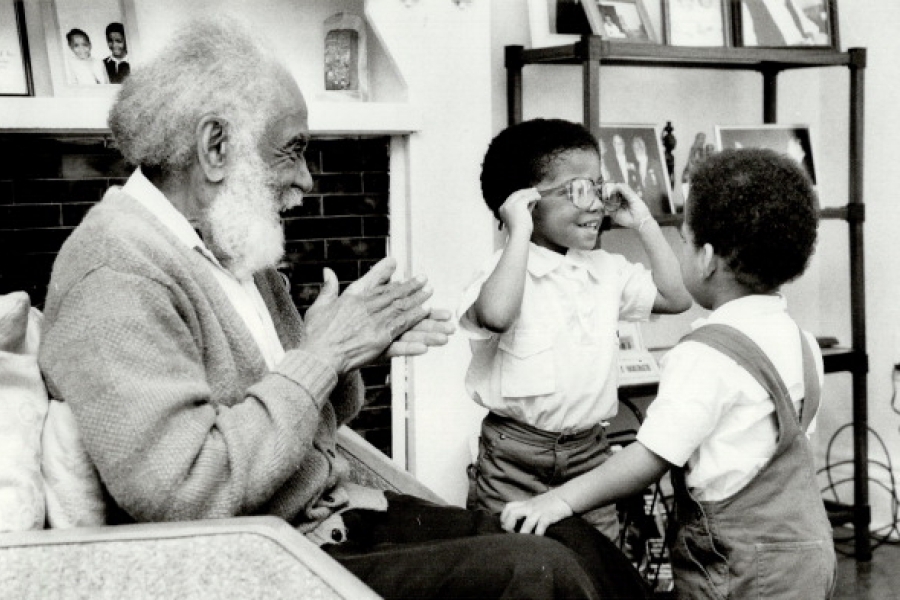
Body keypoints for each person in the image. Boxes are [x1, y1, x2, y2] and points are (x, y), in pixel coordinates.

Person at [38, 17, 650, 600]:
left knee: (568, 536)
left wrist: (350, 356)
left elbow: (295, 425)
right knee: (534, 571)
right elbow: (186, 492)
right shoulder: (116, 273)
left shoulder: (228, 250)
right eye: (292, 150)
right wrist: (322, 356)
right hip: (255, 564)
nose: (306, 180)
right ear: (215, 146)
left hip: (325, 519)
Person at [501, 148, 836, 599]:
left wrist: (558, 499)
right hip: (807, 557)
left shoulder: (706, 353)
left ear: (707, 259)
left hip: (736, 567)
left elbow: (649, 458)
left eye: (685, 241)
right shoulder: (803, 343)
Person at [458, 118, 691, 540]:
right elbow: (494, 316)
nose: (596, 205)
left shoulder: (607, 270)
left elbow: (676, 298)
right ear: (526, 203)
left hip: (591, 457)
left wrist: (644, 224)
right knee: (509, 560)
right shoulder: (504, 272)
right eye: (580, 190)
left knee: (598, 561)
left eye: (599, 187)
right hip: (513, 456)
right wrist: (518, 232)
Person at [631, 135, 666, 214]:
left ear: (643, 147)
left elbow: (663, 186)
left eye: (639, 147)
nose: (637, 150)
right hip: (645, 207)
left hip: (657, 205)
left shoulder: (654, 164)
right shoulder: (636, 167)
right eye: (635, 149)